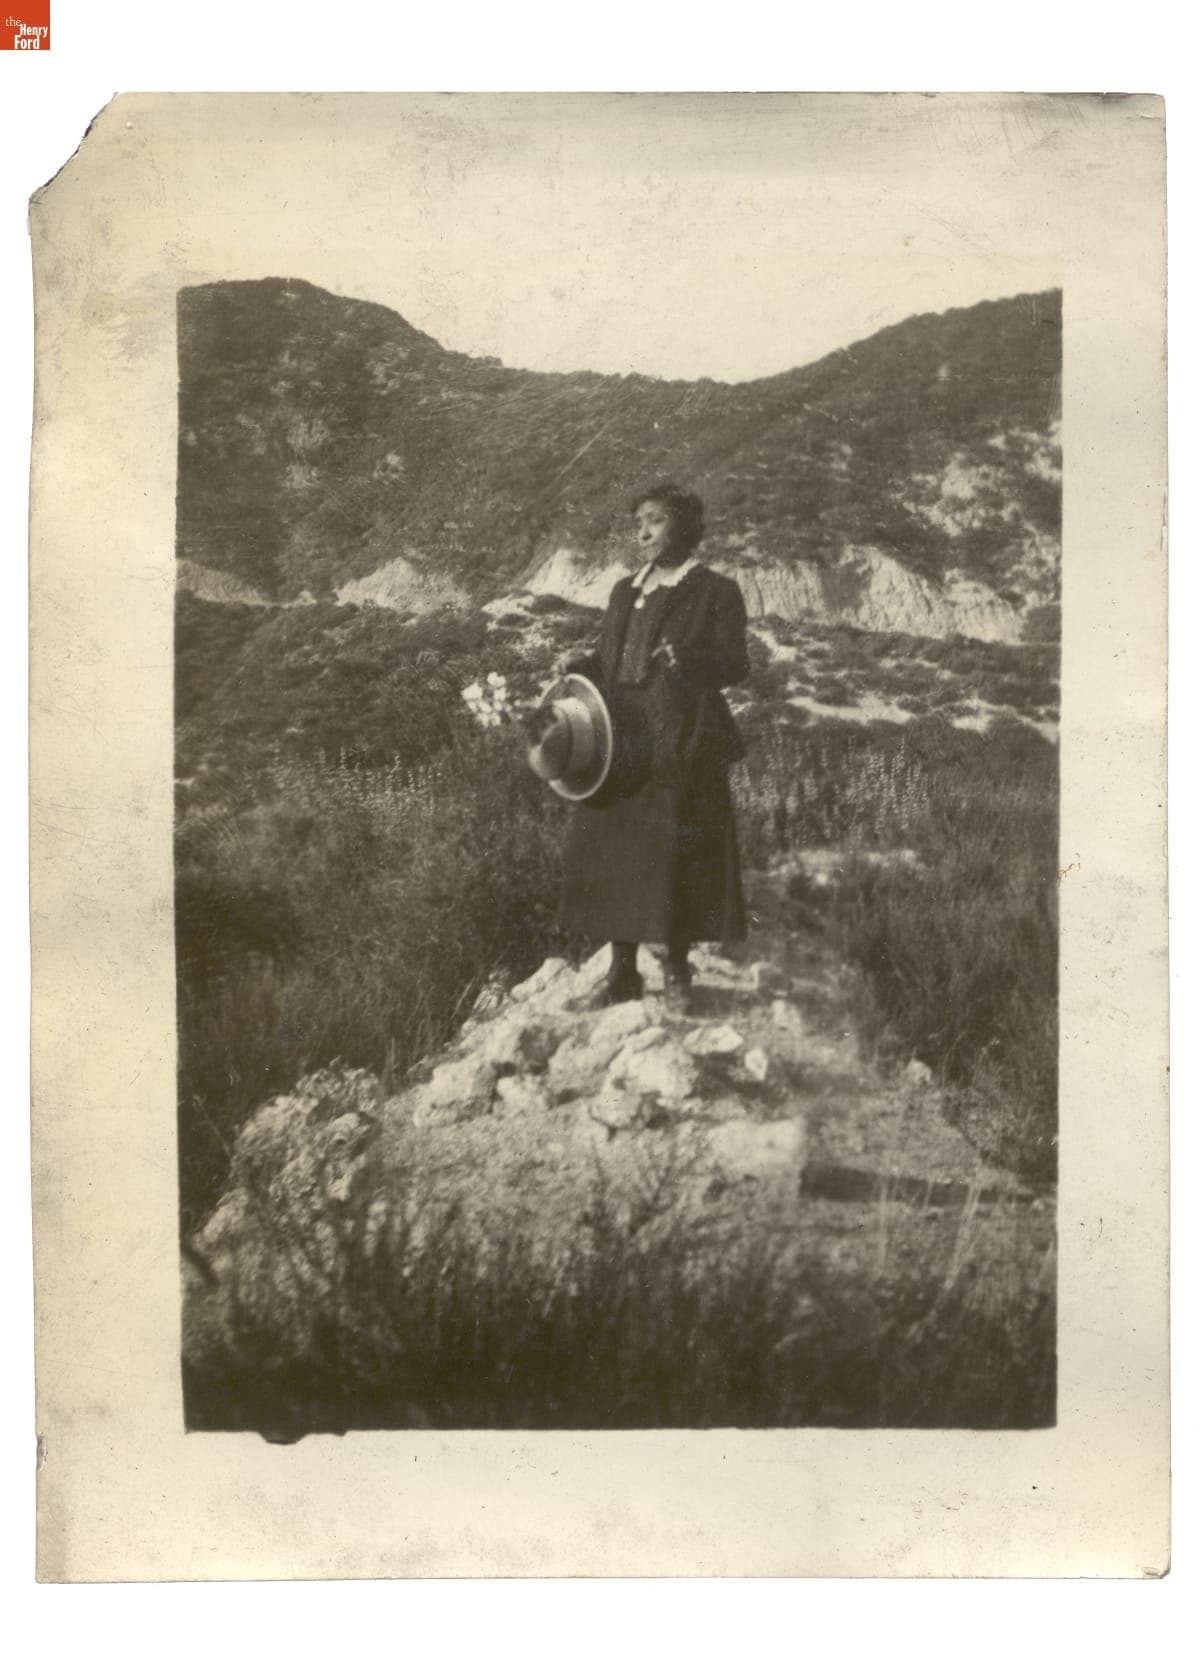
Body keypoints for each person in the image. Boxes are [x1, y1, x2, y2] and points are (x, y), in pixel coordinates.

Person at [557, 482, 750, 1010]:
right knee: (617, 848)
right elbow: (609, 662)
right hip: (622, 739)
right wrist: (579, 667)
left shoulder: (715, 591)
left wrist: (690, 659)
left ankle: (678, 972)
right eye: (638, 521)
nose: (642, 532)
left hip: (680, 739)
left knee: (673, 854)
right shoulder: (624, 590)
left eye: (656, 520)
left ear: (684, 527)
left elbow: (737, 665)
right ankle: (622, 973)